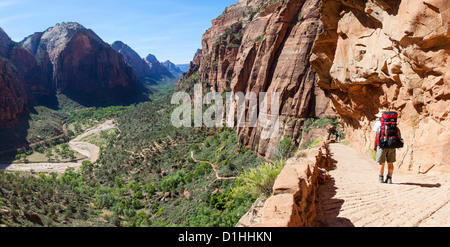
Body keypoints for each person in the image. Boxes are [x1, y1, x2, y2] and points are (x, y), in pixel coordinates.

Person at [372, 110, 396, 184]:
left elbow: (376, 136)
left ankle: (381, 178)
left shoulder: (378, 123)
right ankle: (389, 178)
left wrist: (374, 146)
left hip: (381, 145)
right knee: (390, 163)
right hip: (391, 145)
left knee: (381, 163)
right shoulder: (393, 123)